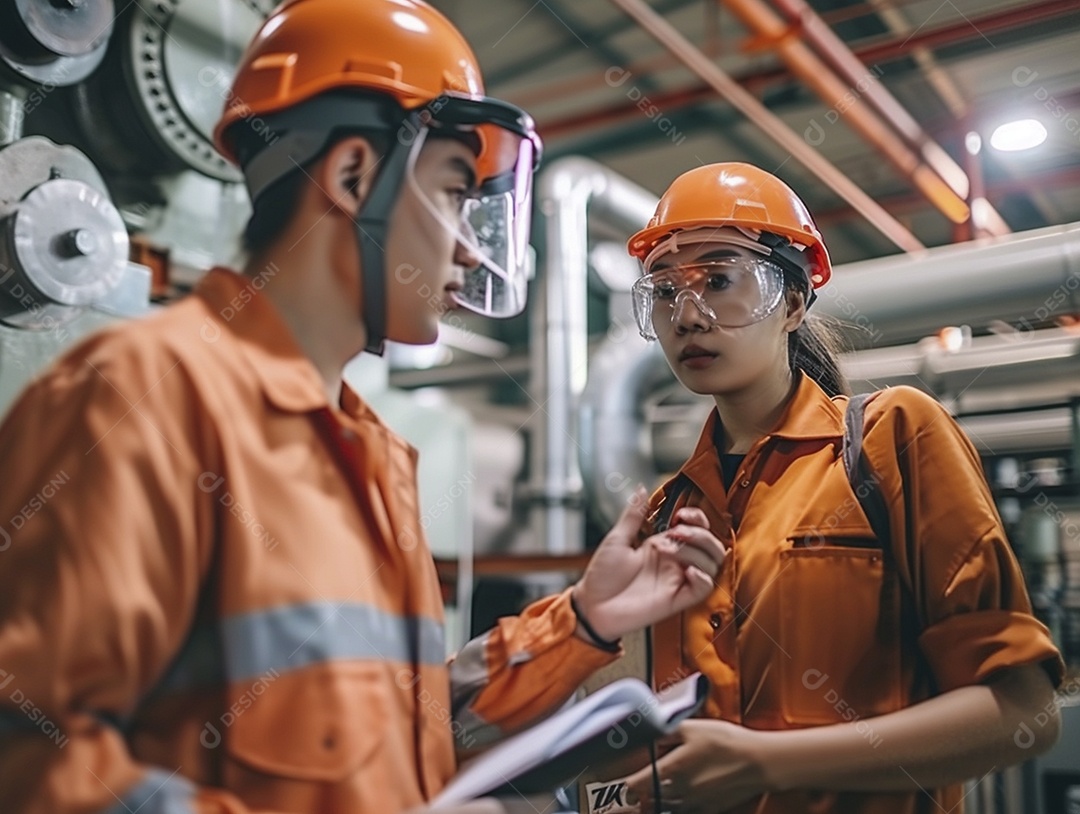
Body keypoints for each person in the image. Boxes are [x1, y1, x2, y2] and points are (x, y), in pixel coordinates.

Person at [0, 2, 727, 812]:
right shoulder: (143, 401)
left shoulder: (370, 454)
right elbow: (34, 768)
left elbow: (403, 736)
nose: (472, 247)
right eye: (455, 189)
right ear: (351, 176)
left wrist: (586, 621)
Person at [619, 162, 1065, 814]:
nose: (687, 315)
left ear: (794, 303)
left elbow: (1023, 711)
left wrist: (765, 763)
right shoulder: (668, 511)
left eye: (718, 280)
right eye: (664, 291)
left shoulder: (890, 440)